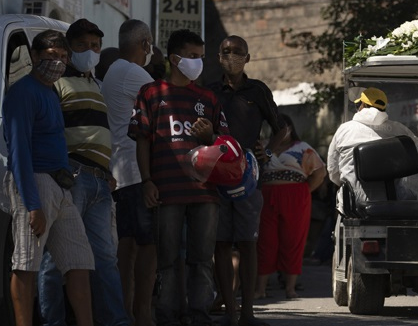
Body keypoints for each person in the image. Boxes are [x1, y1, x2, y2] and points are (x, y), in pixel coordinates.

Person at [129, 29, 229, 325]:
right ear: (174, 59)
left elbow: (225, 143)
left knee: (201, 261)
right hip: (166, 192)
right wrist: (147, 181)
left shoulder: (208, 97)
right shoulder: (150, 93)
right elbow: (142, 140)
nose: (198, 62)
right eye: (192, 57)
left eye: (201, 57)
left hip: (205, 193)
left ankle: (199, 316)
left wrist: (210, 135)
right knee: (168, 261)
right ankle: (169, 316)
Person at [37, 19, 130, 326]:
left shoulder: (97, 86)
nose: (90, 52)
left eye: (95, 46)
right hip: (70, 178)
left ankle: (114, 321)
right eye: (81, 47)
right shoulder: (55, 84)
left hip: (100, 182)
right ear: (68, 49)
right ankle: (53, 321)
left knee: (104, 259)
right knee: (55, 258)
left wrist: (108, 171)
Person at [3, 29, 95, 326]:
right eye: (51, 56)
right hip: (36, 183)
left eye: (63, 57)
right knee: (27, 264)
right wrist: (32, 205)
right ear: (33, 56)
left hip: (61, 185)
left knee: (79, 263)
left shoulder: (51, 92)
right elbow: (19, 151)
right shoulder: (23, 92)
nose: (58, 62)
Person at [207, 35, 287, 326]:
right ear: (218, 57)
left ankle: (248, 312)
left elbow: (281, 129)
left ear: (248, 58)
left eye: (237, 52)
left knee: (248, 243)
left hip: (250, 177)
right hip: (217, 176)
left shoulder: (258, 90)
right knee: (221, 244)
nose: (231, 56)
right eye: (226, 51)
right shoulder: (209, 90)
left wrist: (267, 151)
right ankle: (229, 310)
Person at [101, 19, 157, 326]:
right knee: (146, 244)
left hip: (124, 170)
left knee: (129, 244)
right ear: (145, 43)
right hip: (136, 171)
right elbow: (163, 108)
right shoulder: (133, 73)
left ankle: (127, 311)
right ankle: (141, 314)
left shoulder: (115, 70)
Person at [254, 114, 327, 299]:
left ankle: (290, 288)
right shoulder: (262, 147)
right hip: (266, 196)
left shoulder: (303, 148)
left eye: (283, 126)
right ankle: (260, 289)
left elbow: (320, 172)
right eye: (276, 125)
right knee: (265, 241)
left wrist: (304, 192)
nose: (280, 129)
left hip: (295, 196)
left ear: (290, 127)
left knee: (293, 241)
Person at [327, 87, 418, 214]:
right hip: (396, 203)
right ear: (383, 107)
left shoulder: (344, 129)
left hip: (355, 206)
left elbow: (333, 170)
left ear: (362, 105)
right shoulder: (400, 130)